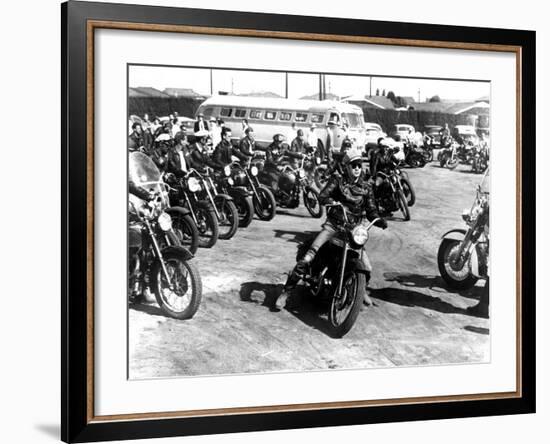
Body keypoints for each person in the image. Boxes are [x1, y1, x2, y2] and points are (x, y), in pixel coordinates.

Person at [275, 149, 387, 310]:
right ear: (347, 166)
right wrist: (331, 201)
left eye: (359, 165)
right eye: (353, 165)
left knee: (367, 267)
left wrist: (378, 219)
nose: (356, 168)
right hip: (334, 225)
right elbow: (323, 195)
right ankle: (286, 292)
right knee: (308, 257)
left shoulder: (366, 187)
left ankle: (358, 289)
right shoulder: (338, 180)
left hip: (353, 230)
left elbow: (371, 209)